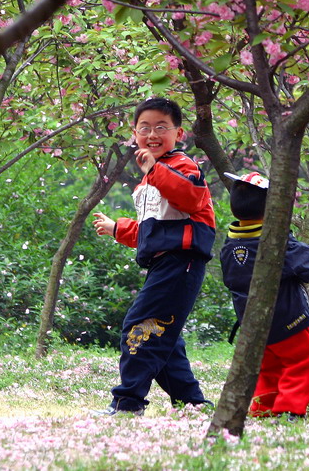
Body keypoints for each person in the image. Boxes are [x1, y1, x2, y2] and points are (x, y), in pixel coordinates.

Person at [93, 97, 216, 416]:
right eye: (144, 127)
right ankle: (193, 404)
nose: (152, 134)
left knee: (141, 325)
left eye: (161, 127)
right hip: (165, 263)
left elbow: (189, 200)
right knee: (164, 334)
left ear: (179, 133)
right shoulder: (149, 179)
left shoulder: (184, 167)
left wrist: (154, 169)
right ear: (134, 133)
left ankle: (128, 402)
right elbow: (153, 231)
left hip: (183, 262)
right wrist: (117, 228)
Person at [220, 171, 309, 419]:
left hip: (252, 323)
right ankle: (289, 408)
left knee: (267, 368)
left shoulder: (229, 246)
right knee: (301, 362)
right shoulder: (276, 243)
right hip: (287, 319)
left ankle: (264, 408)